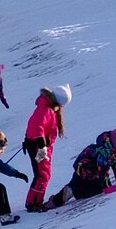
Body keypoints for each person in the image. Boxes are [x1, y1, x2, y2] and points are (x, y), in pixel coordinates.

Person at [45, 127, 116, 210]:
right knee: (96, 188)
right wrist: (107, 187)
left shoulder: (114, 150)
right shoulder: (105, 151)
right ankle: (69, 194)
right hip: (84, 168)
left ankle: (59, 198)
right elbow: (103, 169)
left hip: (89, 170)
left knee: (84, 185)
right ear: (114, 141)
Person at [23, 83, 71, 212]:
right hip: (39, 147)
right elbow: (36, 127)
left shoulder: (46, 107)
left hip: (40, 146)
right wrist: (41, 146)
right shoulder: (46, 109)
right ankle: (33, 203)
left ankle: (35, 201)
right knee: (42, 175)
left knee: (43, 175)